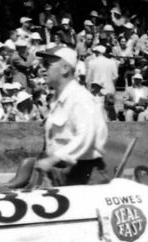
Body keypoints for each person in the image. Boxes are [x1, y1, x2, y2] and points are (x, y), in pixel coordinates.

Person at [36, 46, 109, 185]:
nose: (42, 69)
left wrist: (53, 159)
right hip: (65, 173)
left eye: (47, 64)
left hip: (86, 175)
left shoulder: (80, 98)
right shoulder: (57, 99)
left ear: (64, 68)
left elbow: (86, 136)